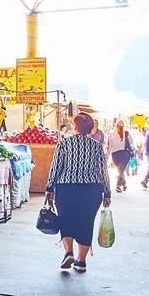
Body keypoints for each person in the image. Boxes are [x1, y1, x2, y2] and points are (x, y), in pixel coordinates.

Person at [45, 113, 111, 274]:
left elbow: (56, 167)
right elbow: (103, 170)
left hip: (66, 189)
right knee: (86, 223)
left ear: (75, 127)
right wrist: (107, 192)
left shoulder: (64, 144)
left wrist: (49, 188)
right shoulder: (96, 146)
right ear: (90, 129)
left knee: (66, 221)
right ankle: (81, 262)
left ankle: (68, 253)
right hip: (91, 190)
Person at [106, 120, 135, 192]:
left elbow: (131, 142)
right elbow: (110, 146)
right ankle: (124, 183)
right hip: (115, 154)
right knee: (120, 170)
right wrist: (107, 155)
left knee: (121, 169)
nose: (120, 128)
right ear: (116, 125)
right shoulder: (111, 134)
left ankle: (118, 186)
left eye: (122, 126)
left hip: (124, 153)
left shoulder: (126, 133)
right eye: (119, 126)